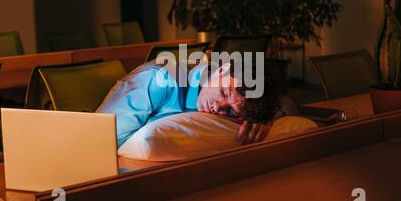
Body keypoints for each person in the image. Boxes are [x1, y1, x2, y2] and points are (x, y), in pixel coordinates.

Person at [98, 57, 282, 149]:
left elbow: (288, 105)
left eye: (231, 111)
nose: (217, 107)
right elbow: (104, 140)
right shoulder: (159, 82)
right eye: (224, 92)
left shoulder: (244, 101)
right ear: (222, 70)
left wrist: (266, 118)